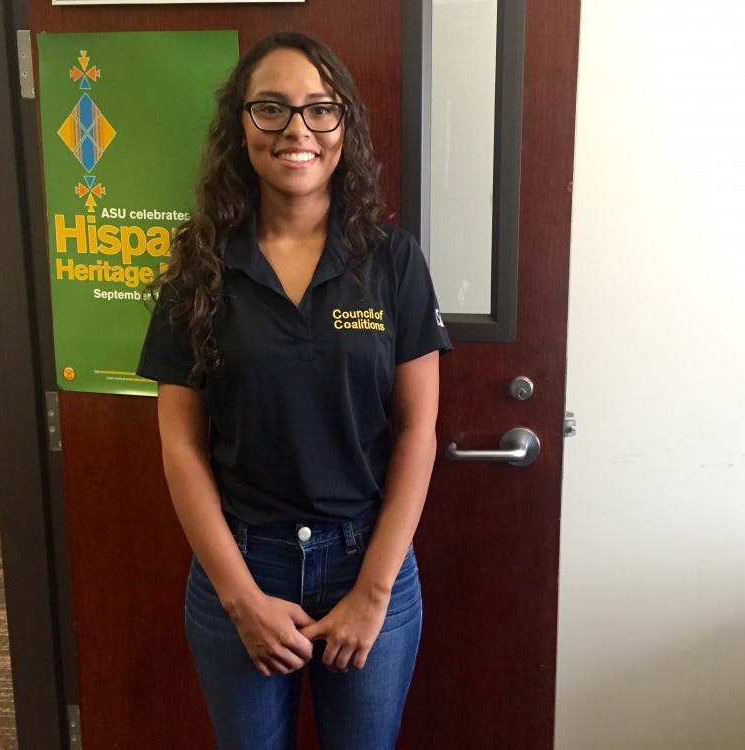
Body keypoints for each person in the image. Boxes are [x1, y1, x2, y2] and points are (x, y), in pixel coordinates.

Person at [137, 31, 451, 750]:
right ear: (240, 126)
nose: (296, 130)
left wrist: (372, 594)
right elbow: (180, 443)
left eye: (319, 109)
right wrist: (239, 598)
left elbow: (416, 432)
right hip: (242, 564)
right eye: (270, 109)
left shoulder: (393, 262)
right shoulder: (201, 263)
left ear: (344, 125)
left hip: (369, 561)